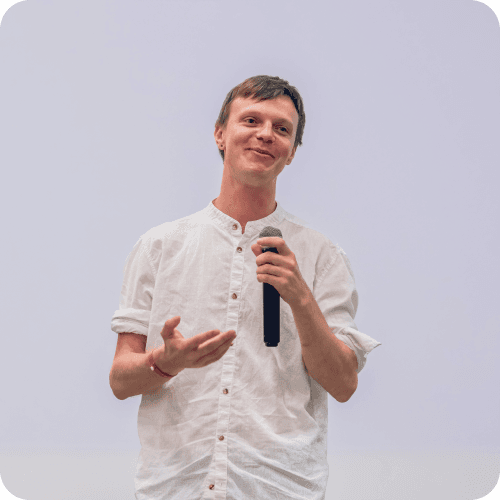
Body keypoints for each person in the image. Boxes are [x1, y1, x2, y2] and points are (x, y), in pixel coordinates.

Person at [109, 75, 382, 500]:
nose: (266, 134)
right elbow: (120, 381)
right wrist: (165, 361)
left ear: (292, 152)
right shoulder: (159, 246)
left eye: (282, 128)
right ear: (220, 134)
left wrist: (300, 297)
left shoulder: (321, 255)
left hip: (279, 487)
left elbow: (344, 384)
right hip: (176, 487)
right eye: (251, 120)